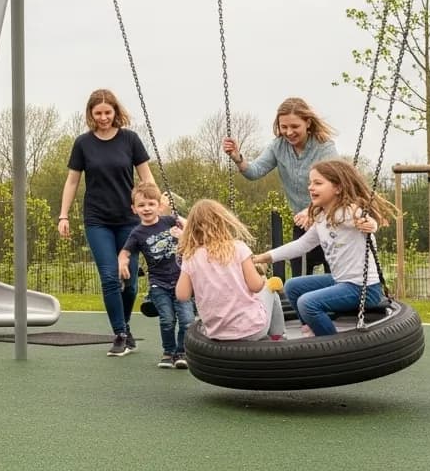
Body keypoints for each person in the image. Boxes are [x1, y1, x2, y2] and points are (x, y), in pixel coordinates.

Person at [57, 88, 155, 356]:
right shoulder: (83, 144)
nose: (102, 118)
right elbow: (73, 181)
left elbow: (147, 179)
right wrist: (63, 215)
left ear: (115, 112)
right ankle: (120, 333)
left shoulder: (130, 140)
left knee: (130, 280)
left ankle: (126, 325)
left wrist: (155, 208)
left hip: (129, 219)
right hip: (97, 219)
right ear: (90, 114)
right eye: (97, 113)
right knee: (110, 276)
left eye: (107, 112)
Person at [251, 158, 392, 337]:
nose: (311, 187)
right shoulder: (322, 218)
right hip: (341, 281)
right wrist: (265, 257)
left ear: (338, 188)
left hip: (364, 287)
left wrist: (371, 224)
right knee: (293, 286)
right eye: (310, 183)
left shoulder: (348, 211)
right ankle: (311, 329)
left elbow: (367, 221)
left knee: (307, 303)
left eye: (318, 183)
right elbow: (301, 246)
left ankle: (331, 344)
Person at [223, 97, 338, 277]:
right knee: (299, 271)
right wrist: (238, 158)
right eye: (284, 127)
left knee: (334, 271)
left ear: (307, 123)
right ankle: (303, 302)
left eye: (294, 127)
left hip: (329, 218)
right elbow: (254, 171)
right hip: (302, 222)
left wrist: (312, 210)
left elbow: (337, 184)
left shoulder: (324, 147)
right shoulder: (278, 147)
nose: (289, 132)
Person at [176, 199, 286, 342]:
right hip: (253, 330)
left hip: (216, 334)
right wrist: (263, 280)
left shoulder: (190, 256)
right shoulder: (238, 247)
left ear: (192, 228)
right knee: (270, 289)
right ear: (224, 222)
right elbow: (255, 286)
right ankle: (278, 340)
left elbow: (182, 295)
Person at [118, 181, 194, 369]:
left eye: (151, 204)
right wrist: (122, 263)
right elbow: (125, 253)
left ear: (159, 206)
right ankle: (168, 352)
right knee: (167, 319)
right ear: (134, 209)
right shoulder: (137, 233)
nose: (146, 209)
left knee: (187, 320)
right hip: (158, 283)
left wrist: (181, 232)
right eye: (141, 205)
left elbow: (192, 229)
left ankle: (181, 352)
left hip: (181, 281)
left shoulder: (170, 221)